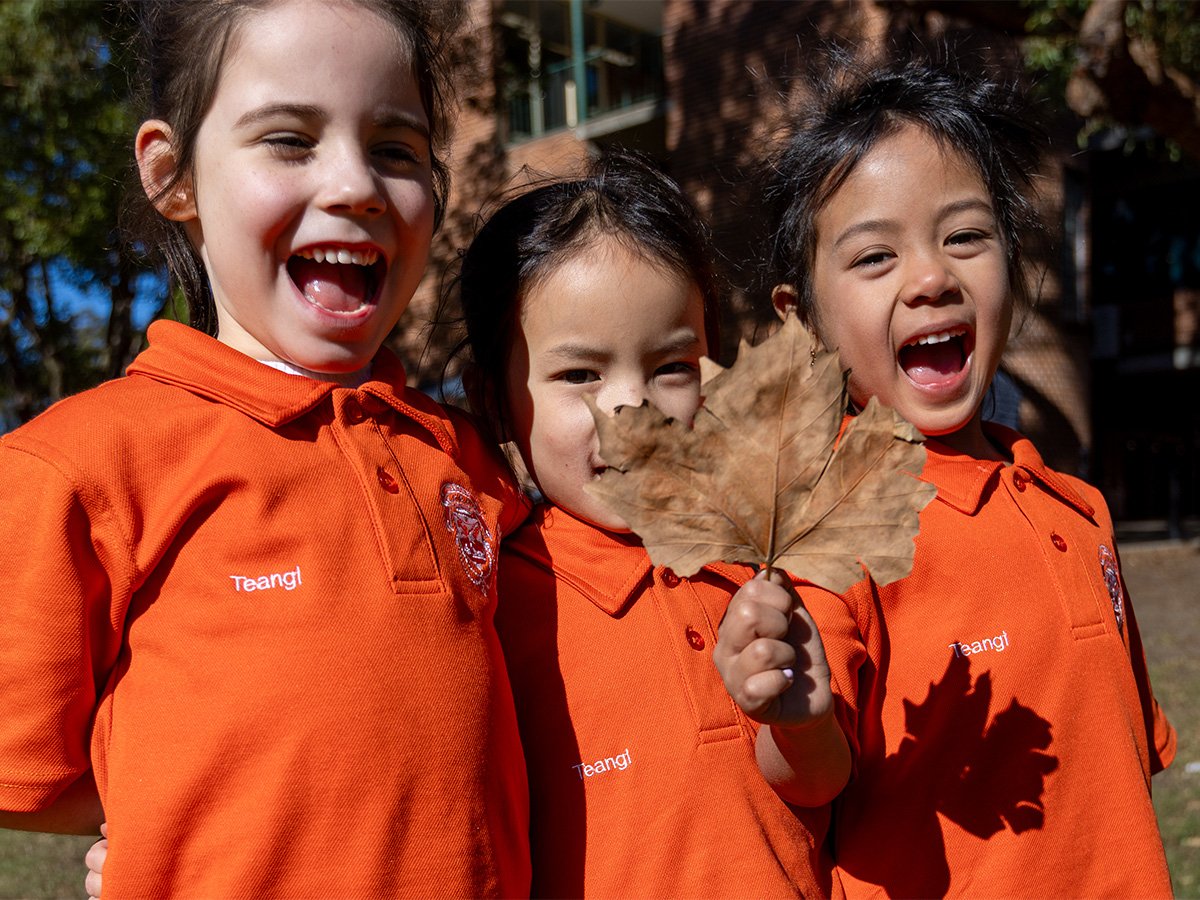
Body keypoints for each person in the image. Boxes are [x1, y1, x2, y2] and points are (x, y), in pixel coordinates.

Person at [0, 2, 530, 896]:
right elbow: (21, 772)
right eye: (289, 139)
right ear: (173, 174)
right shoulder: (80, 463)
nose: (357, 182)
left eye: (398, 150)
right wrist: (168, 818)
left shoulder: (471, 456)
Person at [719, 53, 1177, 897]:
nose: (932, 278)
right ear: (803, 323)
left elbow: (1124, 768)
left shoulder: (1079, 511)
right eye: (873, 258)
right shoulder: (835, 529)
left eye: (966, 236)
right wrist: (794, 717)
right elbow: (810, 777)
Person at [457, 150, 851, 897]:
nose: (632, 406)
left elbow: (820, 786)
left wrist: (800, 723)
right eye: (580, 375)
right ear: (494, 398)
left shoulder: (767, 565)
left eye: (672, 365)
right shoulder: (493, 612)